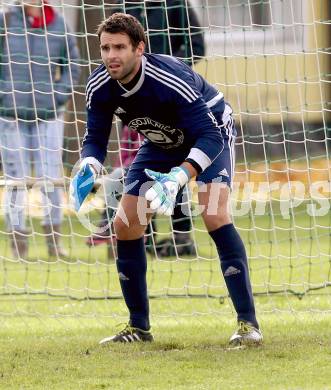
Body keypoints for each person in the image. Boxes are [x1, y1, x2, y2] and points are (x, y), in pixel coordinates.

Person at [71, 13, 262, 347]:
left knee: (214, 214)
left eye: (119, 47)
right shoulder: (99, 86)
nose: (111, 56)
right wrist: (88, 162)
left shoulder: (168, 77)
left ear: (139, 48)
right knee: (126, 223)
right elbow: (96, 137)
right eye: (105, 48)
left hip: (211, 132)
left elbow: (209, 136)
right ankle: (139, 328)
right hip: (162, 141)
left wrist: (180, 176)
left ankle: (248, 325)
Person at [88, 0, 204, 256]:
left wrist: (166, 71)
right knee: (134, 165)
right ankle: (142, 236)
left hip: (169, 102)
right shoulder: (124, 7)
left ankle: (181, 236)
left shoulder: (176, 5)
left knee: (175, 168)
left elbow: (197, 46)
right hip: (133, 105)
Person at [0, 0, 81, 258]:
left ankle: (53, 243)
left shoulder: (60, 25)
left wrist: (57, 95)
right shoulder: (5, 21)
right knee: (15, 181)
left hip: (48, 116)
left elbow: (73, 65)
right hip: (10, 115)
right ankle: (18, 245)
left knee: (51, 179)